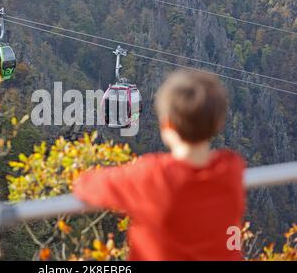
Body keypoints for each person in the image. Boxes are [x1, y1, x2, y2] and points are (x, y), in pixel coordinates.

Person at [73, 70, 246, 261]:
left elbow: (86, 185)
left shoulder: (152, 175)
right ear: (219, 124)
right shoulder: (230, 169)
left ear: (167, 125)